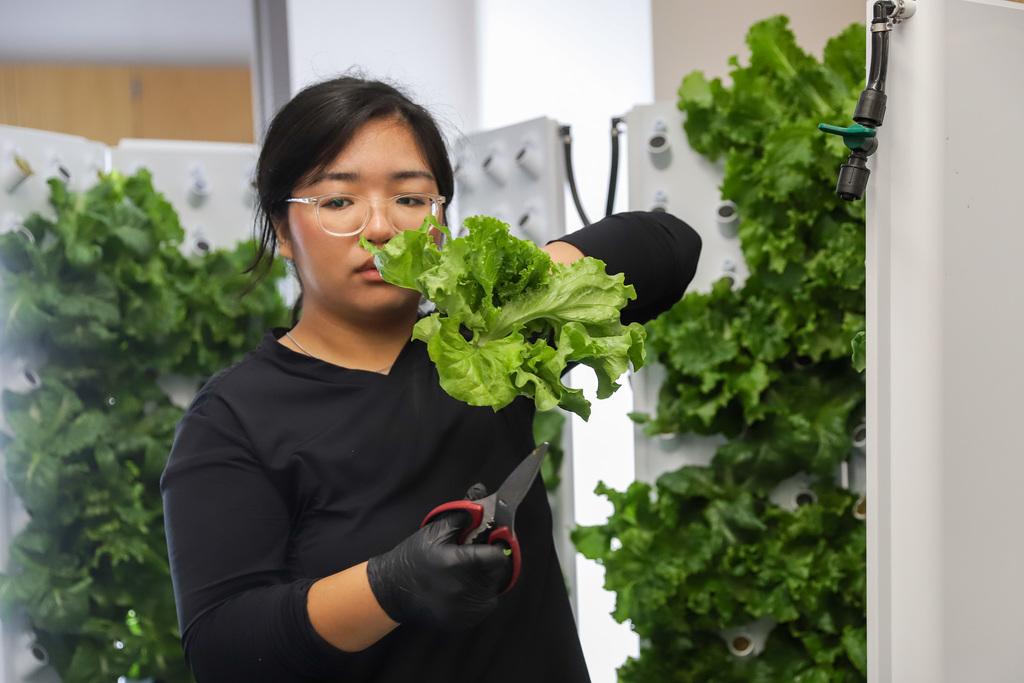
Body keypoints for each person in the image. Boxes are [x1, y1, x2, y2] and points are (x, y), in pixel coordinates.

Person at [160, 75, 701, 683]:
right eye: (338, 201)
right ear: (283, 232)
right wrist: (392, 584)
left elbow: (670, 245)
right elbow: (222, 650)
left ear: (441, 216)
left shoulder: (485, 339)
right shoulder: (233, 418)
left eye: (411, 199)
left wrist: (525, 284)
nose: (381, 227)